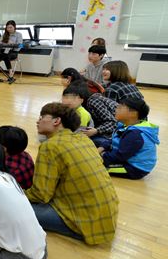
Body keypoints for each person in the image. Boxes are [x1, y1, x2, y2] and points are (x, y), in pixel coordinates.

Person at [27, 103, 119, 245]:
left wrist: (18, 194)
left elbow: (40, 195)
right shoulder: (83, 139)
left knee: (13, 208)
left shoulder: (50, 146)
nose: (38, 121)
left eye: (42, 117)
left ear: (56, 121)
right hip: (106, 213)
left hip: (85, 221)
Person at [99, 98, 159, 180]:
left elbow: (120, 156)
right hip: (126, 157)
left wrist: (102, 156)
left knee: (97, 167)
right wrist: (101, 148)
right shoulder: (125, 125)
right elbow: (113, 139)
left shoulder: (135, 135)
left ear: (133, 113)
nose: (115, 110)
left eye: (119, 108)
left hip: (134, 168)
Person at [70, 82, 119, 148]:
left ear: (81, 98)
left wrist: (96, 131)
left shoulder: (93, 101)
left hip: (116, 133)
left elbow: (112, 122)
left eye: (70, 97)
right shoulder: (90, 101)